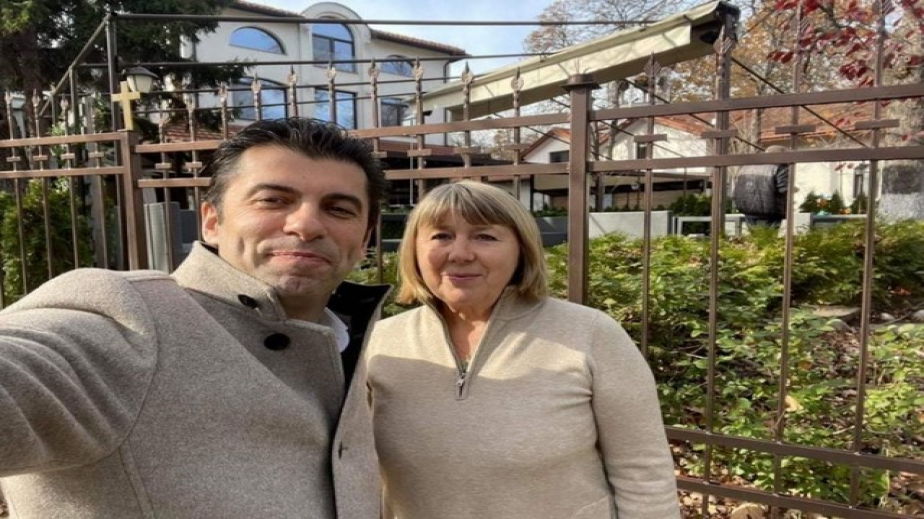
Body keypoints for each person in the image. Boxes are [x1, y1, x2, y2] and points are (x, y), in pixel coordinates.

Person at [0, 118, 390, 519]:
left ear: (364, 239)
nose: (306, 225)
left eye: (338, 209)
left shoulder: (348, 341)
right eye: (273, 200)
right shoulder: (129, 318)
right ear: (212, 222)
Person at [365, 181, 680, 519]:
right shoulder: (379, 343)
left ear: (521, 249)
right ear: (414, 249)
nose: (460, 253)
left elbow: (643, 472)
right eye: (441, 235)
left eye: (484, 236)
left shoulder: (590, 334)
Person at [732, 145, 792, 228]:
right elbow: (784, 189)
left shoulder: (746, 167)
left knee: (754, 234)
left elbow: (738, 187)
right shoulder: (780, 167)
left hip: (748, 210)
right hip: (771, 211)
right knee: (768, 235)